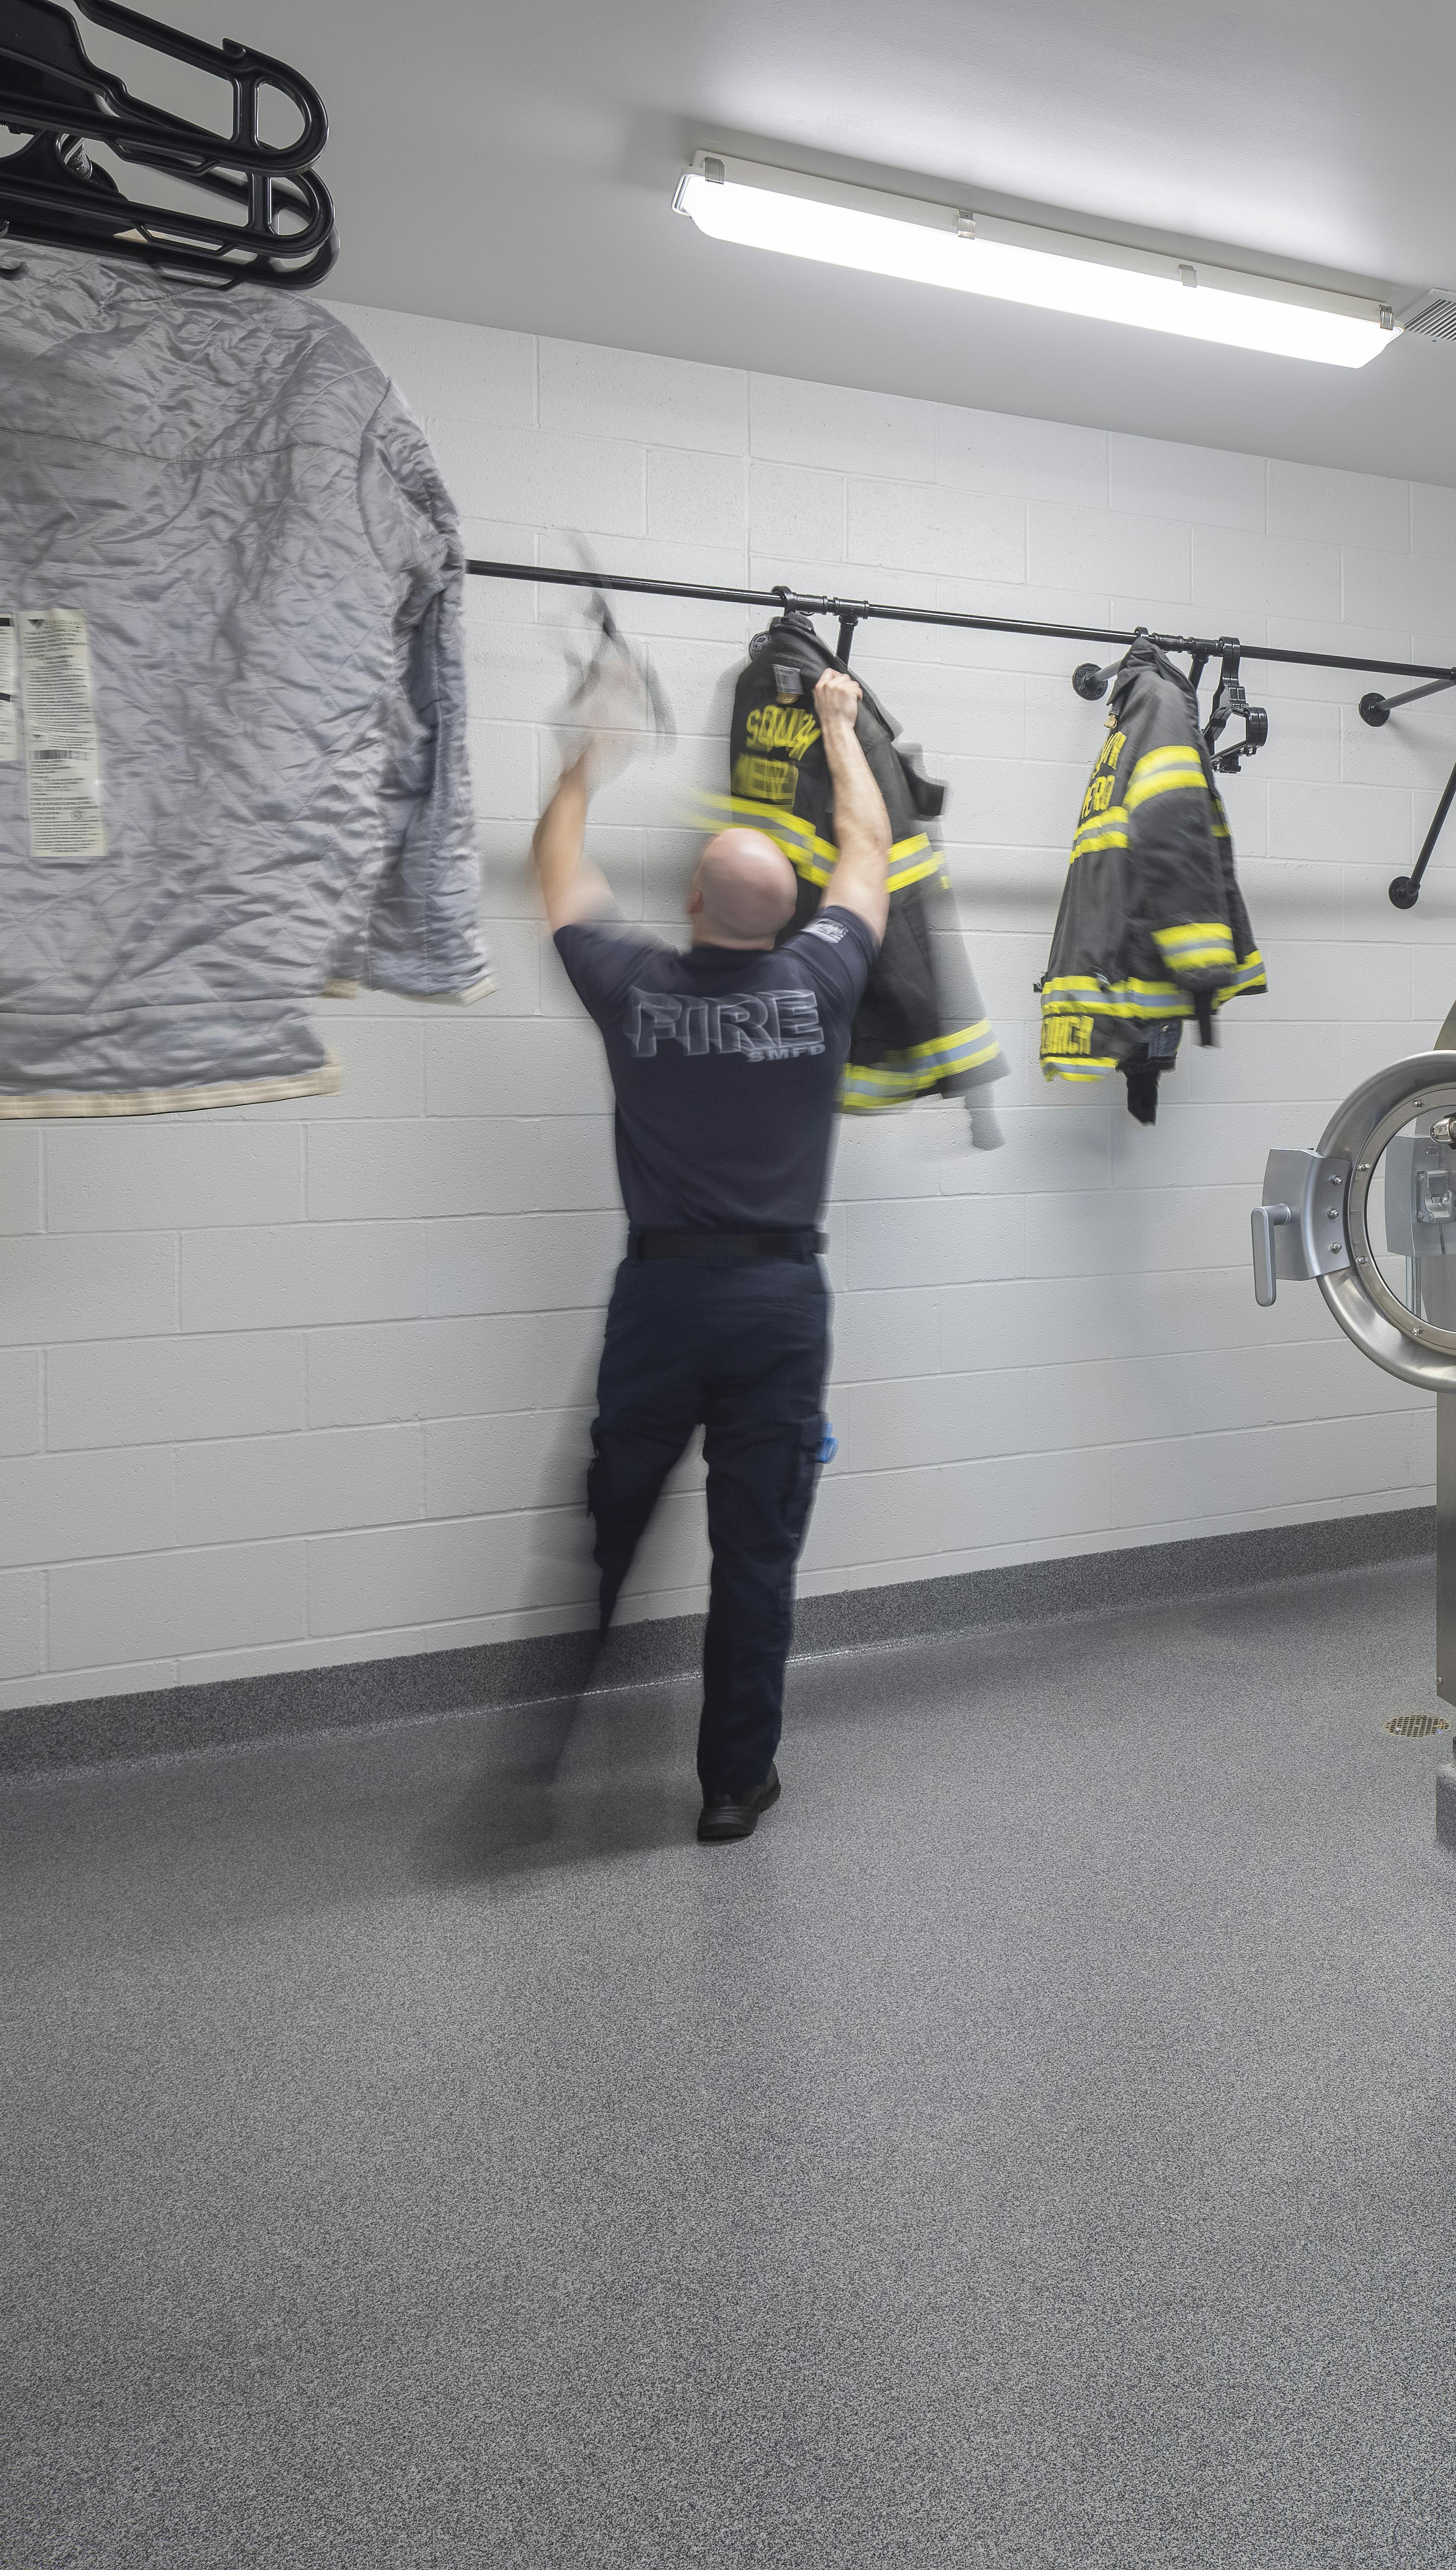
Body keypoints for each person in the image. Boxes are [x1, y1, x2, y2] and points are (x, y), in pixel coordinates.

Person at [533, 665, 891, 1842]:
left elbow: (557, 870)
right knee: (757, 1552)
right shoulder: (823, 977)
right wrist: (837, 727)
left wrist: (586, 761)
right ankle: (735, 1787)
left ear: (691, 902)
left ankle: (548, 1742)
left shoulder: (632, 984)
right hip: (781, 1302)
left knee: (611, 1519)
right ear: (783, 919)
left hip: (663, 1295)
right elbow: (868, 848)